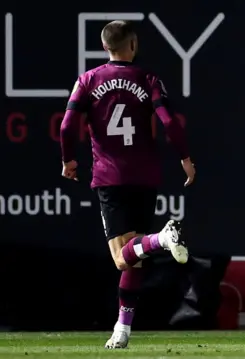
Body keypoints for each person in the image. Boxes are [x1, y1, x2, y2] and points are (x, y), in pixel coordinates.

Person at [59, 20, 196, 349]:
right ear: (132, 44)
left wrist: (68, 160)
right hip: (146, 176)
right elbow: (169, 123)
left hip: (110, 176)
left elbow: (66, 127)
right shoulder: (148, 78)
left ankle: (163, 238)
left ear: (106, 46)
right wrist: (185, 158)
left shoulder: (88, 81)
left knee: (123, 258)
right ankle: (122, 330)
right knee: (136, 254)